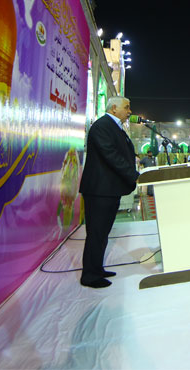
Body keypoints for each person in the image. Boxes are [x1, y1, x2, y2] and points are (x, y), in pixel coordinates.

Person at [79, 96, 140, 288]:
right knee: (96, 233)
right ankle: (90, 276)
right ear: (114, 108)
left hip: (109, 189)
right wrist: (133, 175)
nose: (129, 111)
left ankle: (97, 269)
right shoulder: (102, 126)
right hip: (100, 190)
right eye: (126, 107)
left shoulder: (114, 126)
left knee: (103, 232)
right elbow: (111, 155)